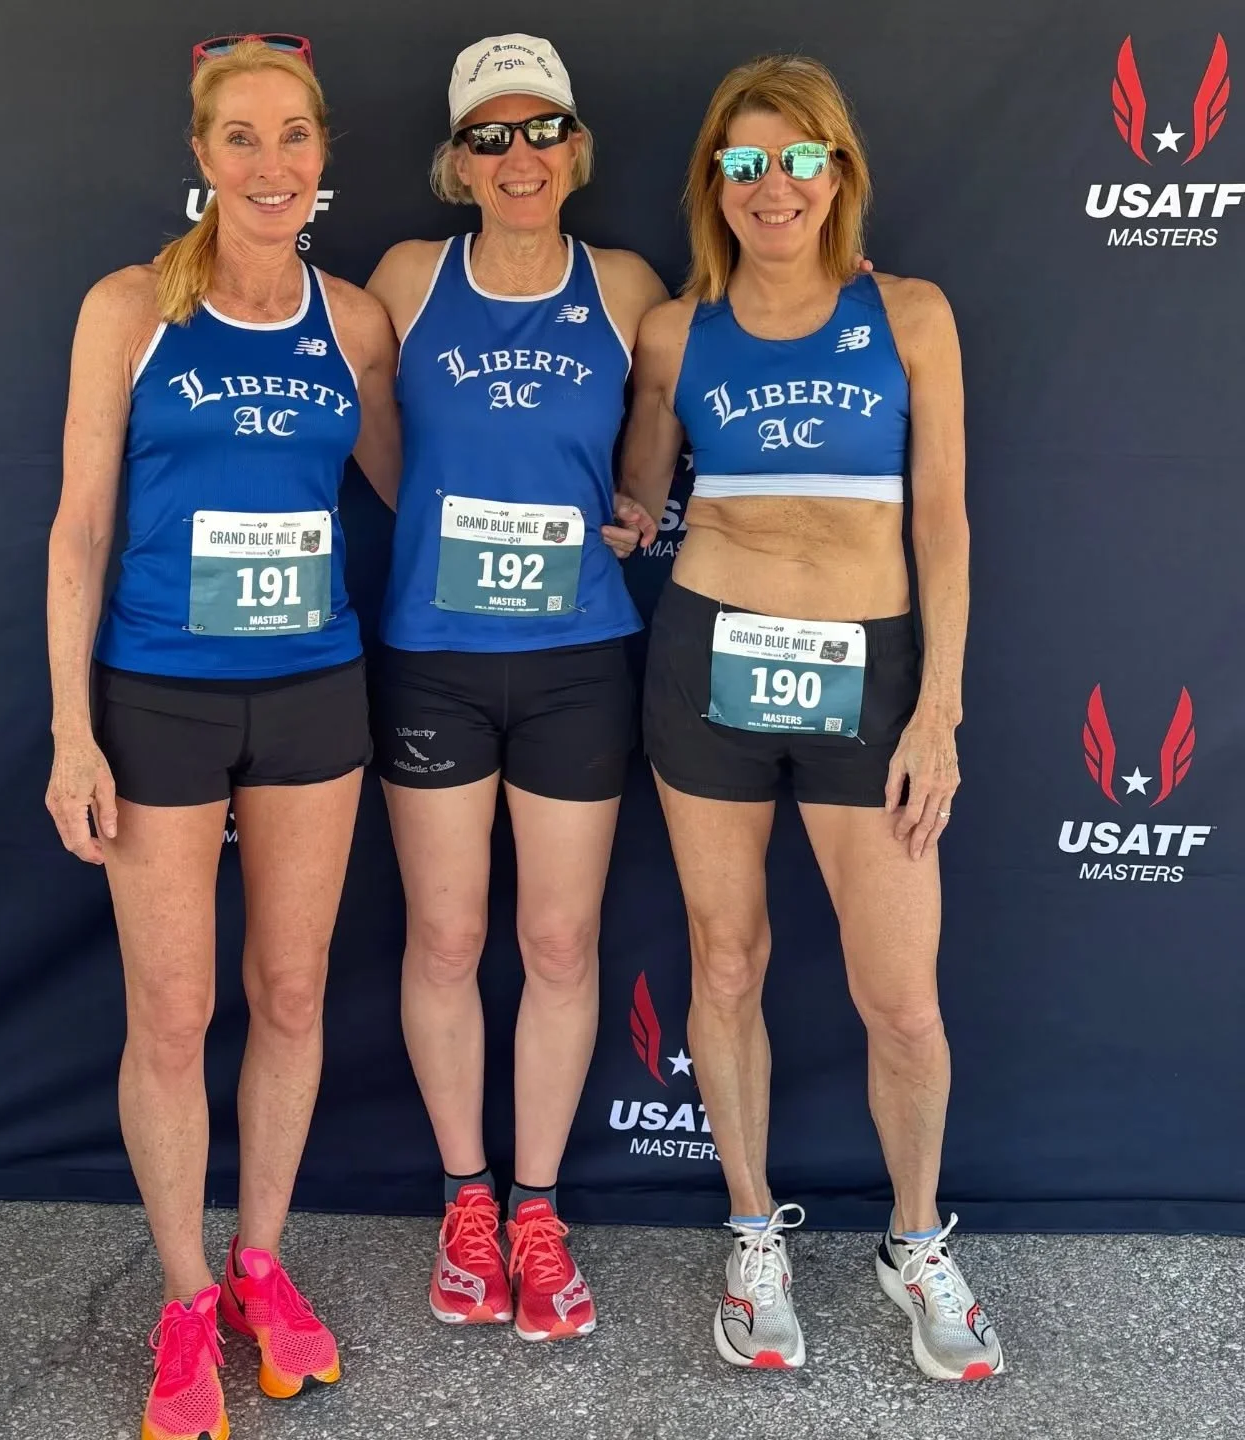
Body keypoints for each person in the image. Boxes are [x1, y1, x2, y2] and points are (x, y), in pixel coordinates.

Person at [620, 54, 1003, 1381]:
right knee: (725, 962)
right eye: (742, 164)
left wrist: (940, 702)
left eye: (795, 160)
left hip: (869, 672)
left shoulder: (908, 316)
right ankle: (751, 1234)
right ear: (713, 186)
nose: (769, 186)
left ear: (837, 172)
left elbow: (944, 524)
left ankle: (914, 1244)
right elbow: (637, 494)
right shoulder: (676, 330)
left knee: (898, 998)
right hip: (710, 659)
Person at [45, 38, 399, 1440]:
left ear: (323, 156)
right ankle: (185, 1296)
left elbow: (410, 489)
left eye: (293, 138)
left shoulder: (354, 320)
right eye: (240, 139)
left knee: (295, 996)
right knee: (174, 1014)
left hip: (315, 693)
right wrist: (73, 730)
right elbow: (78, 529)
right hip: (161, 700)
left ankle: (260, 1262)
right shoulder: (130, 308)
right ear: (200, 155)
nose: (270, 166)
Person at [365, 33, 663, 1343]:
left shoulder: (631, 286)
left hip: (577, 660)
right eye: (490, 135)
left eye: (540, 129)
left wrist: (635, 516)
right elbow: (381, 450)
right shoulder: (409, 279)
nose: (518, 155)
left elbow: (647, 469)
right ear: (457, 162)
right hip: (434, 651)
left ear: (575, 148)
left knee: (557, 943)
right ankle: (467, 1201)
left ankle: (535, 1209)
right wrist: (440, 532)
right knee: (445, 940)